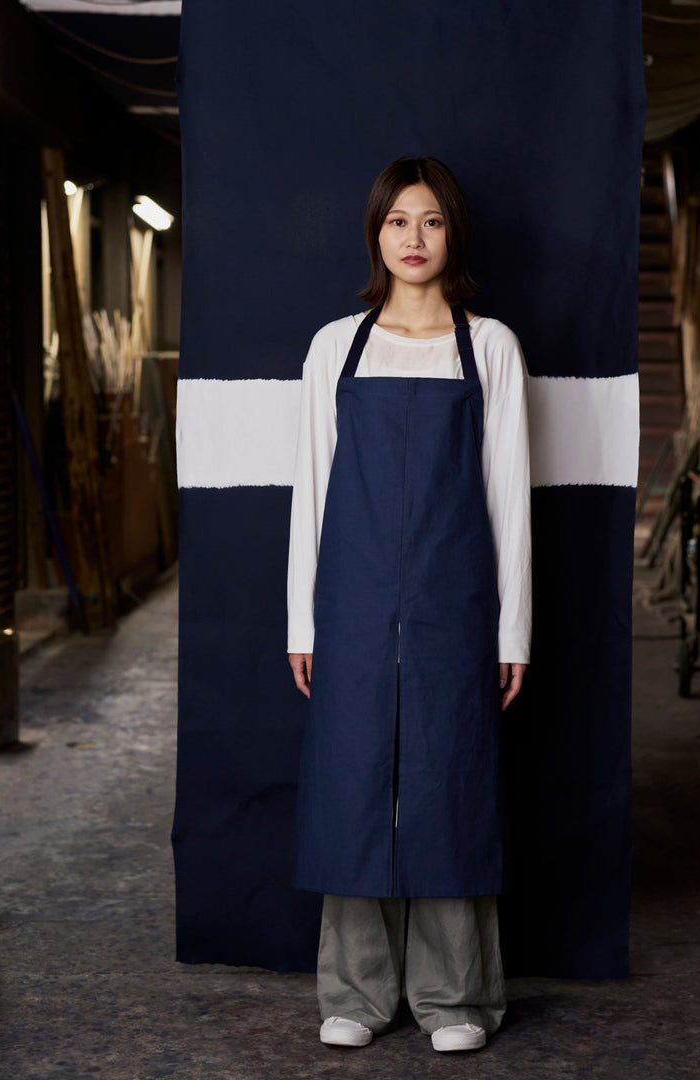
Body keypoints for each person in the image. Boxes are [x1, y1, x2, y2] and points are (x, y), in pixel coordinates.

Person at [286, 155, 532, 1053]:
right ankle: (354, 990)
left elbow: (509, 496)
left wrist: (514, 629)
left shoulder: (491, 347)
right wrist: (301, 623)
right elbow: (310, 492)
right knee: (353, 784)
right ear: (376, 233)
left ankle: (457, 997)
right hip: (348, 605)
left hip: (455, 600)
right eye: (398, 222)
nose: (414, 239)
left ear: (452, 232)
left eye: (430, 222)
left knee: (449, 782)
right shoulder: (334, 347)